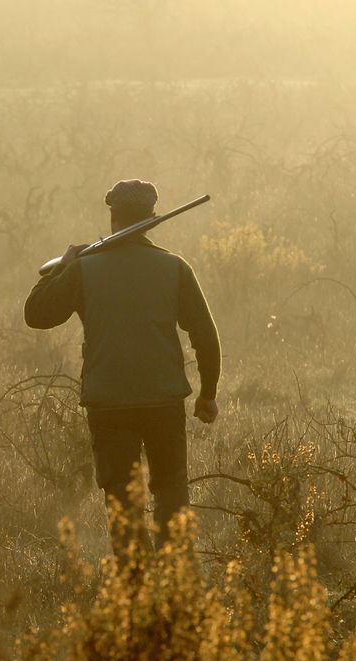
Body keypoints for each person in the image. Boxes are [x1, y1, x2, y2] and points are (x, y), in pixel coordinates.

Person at [23, 179, 221, 550]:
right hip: (163, 400)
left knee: (122, 501)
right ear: (152, 217)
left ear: (112, 216)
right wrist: (207, 394)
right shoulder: (175, 267)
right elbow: (205, 335)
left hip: (108, 403)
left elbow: (36, 314)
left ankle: (134, 590)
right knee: (171, 491)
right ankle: (175, 581)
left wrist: (63, 267)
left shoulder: (83, 269)